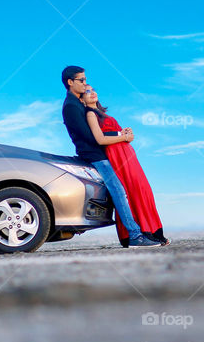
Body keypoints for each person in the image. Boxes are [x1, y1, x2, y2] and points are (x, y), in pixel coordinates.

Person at [60, 66, 161, 248]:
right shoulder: (71, 106)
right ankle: (134, 235)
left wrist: (118, 132)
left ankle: (136, 233)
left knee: (120, 191)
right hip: (94, 155)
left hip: (98, 154)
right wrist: (120, 135)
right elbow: (91, 137)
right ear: (70, 82)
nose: (85, 83)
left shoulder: (79, 104)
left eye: (85, 80)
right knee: (119, 191)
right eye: (81, 80)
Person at [82, 87, 170, 247]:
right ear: (82, 99)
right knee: (133, 191)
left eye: (93, 90)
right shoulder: (90, 113)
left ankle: (155, 231)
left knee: (143, 190)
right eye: (87, 92)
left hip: (126, 155)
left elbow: (113, 133)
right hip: (116, 156)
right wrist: (122, 136)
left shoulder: (102, 113)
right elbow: (100, 139)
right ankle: (142, 233)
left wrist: (124, 133)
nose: (92, 92)